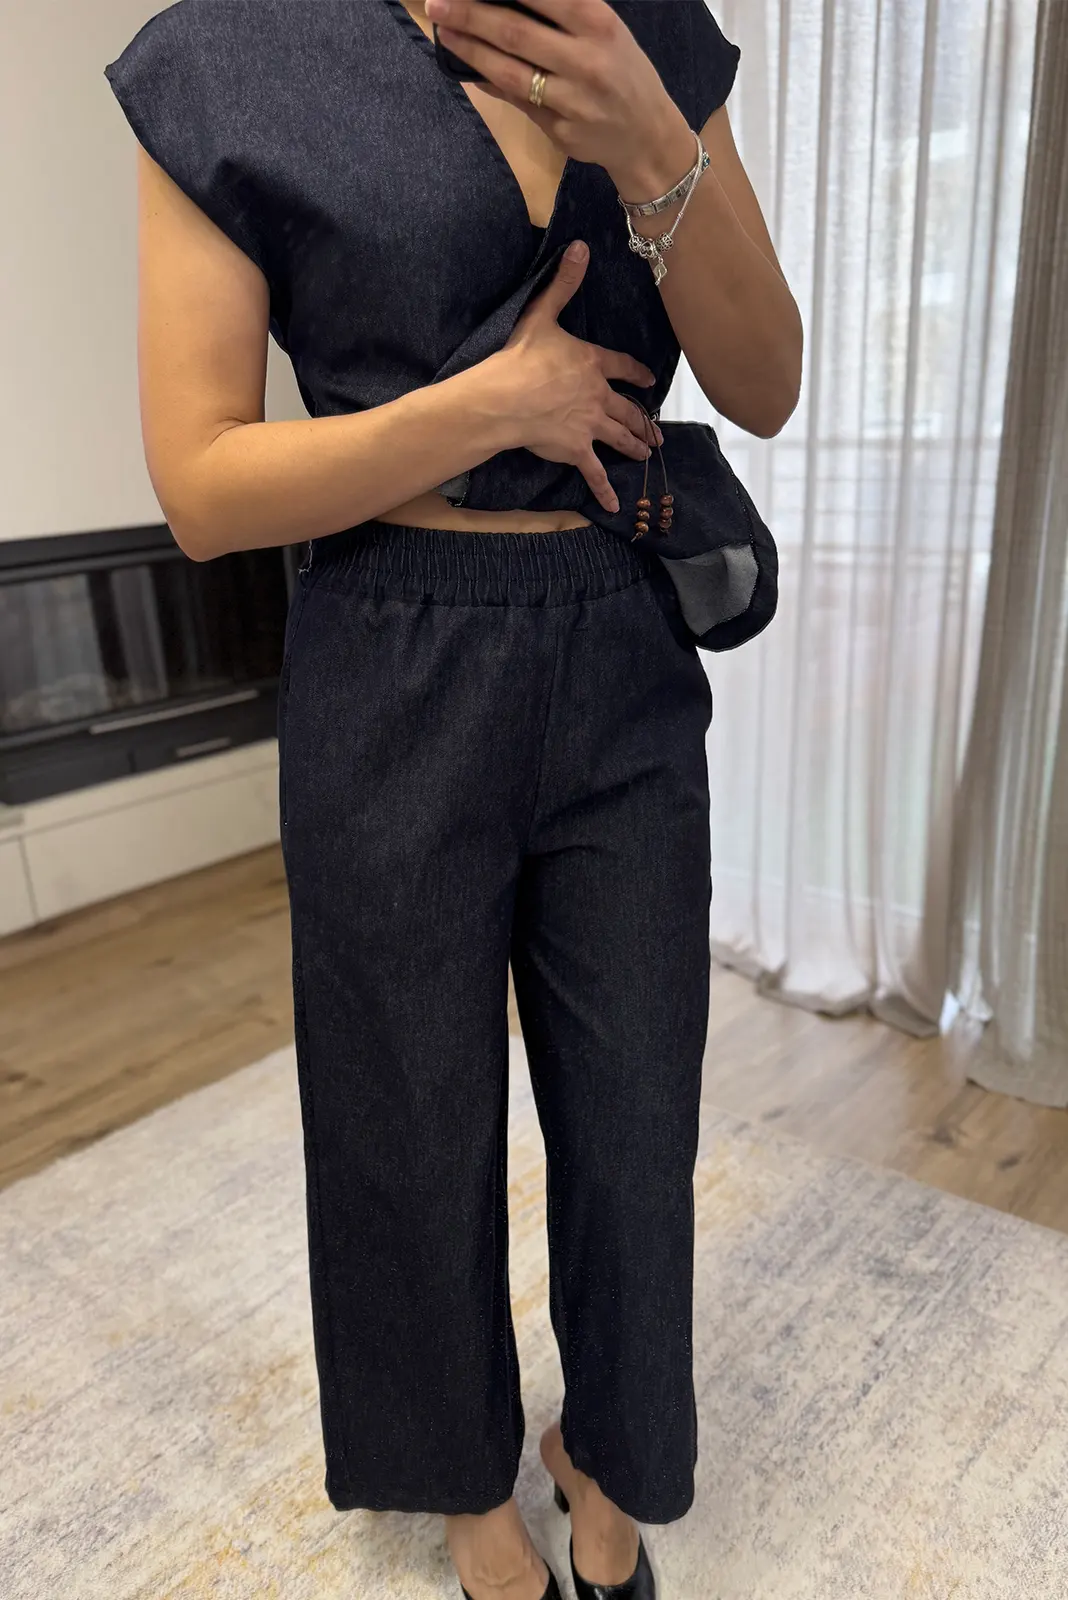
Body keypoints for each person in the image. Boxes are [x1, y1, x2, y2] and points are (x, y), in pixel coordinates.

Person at [104, 2, 802, 1596]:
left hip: (619, 647)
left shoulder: (647, 31)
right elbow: (202, 486)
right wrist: (493, 407)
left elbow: (765, 382)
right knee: (401, 1120)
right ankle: (470, 1502)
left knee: (638, 1117)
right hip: (391, 654)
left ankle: (610, 1468)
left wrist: (653, 136)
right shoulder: (229, 56)